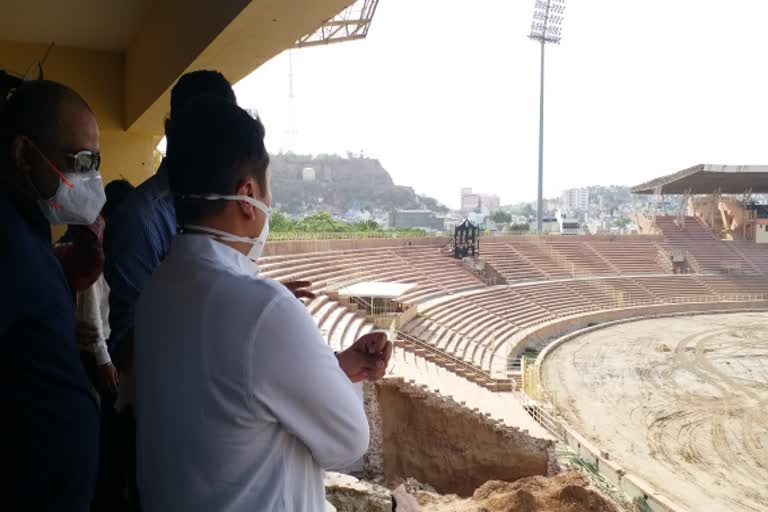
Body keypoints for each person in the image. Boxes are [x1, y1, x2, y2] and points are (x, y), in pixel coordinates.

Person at [134, 97, 392, 511]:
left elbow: (227, 394)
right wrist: (334, 378)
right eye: (268, 189)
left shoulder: (160, 287)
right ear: (247, 195)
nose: (270, 203)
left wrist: (333, 367)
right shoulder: (263, 309)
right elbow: (348, 442)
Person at [0, 80, 103, 510]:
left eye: (96, 162)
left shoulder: (30, 227)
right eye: (79, 161)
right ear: (25, 154)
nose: (91, 178)